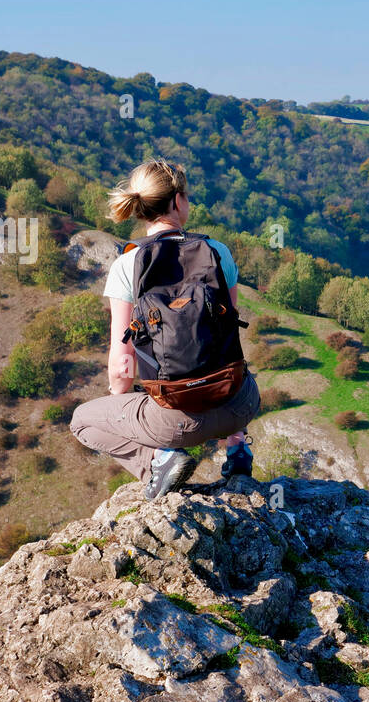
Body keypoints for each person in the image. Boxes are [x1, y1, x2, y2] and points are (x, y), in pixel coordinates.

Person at [70, 159, 259, 499]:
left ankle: (161, 459)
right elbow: (230, 339)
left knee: (82, 420)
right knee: (226, 349)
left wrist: (124, 412)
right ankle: (238, 451)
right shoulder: (217, 252)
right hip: (239, 405)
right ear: (175, 202)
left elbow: (122, 366)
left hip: (176, 422)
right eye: (186, 195)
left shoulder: (127, 266)